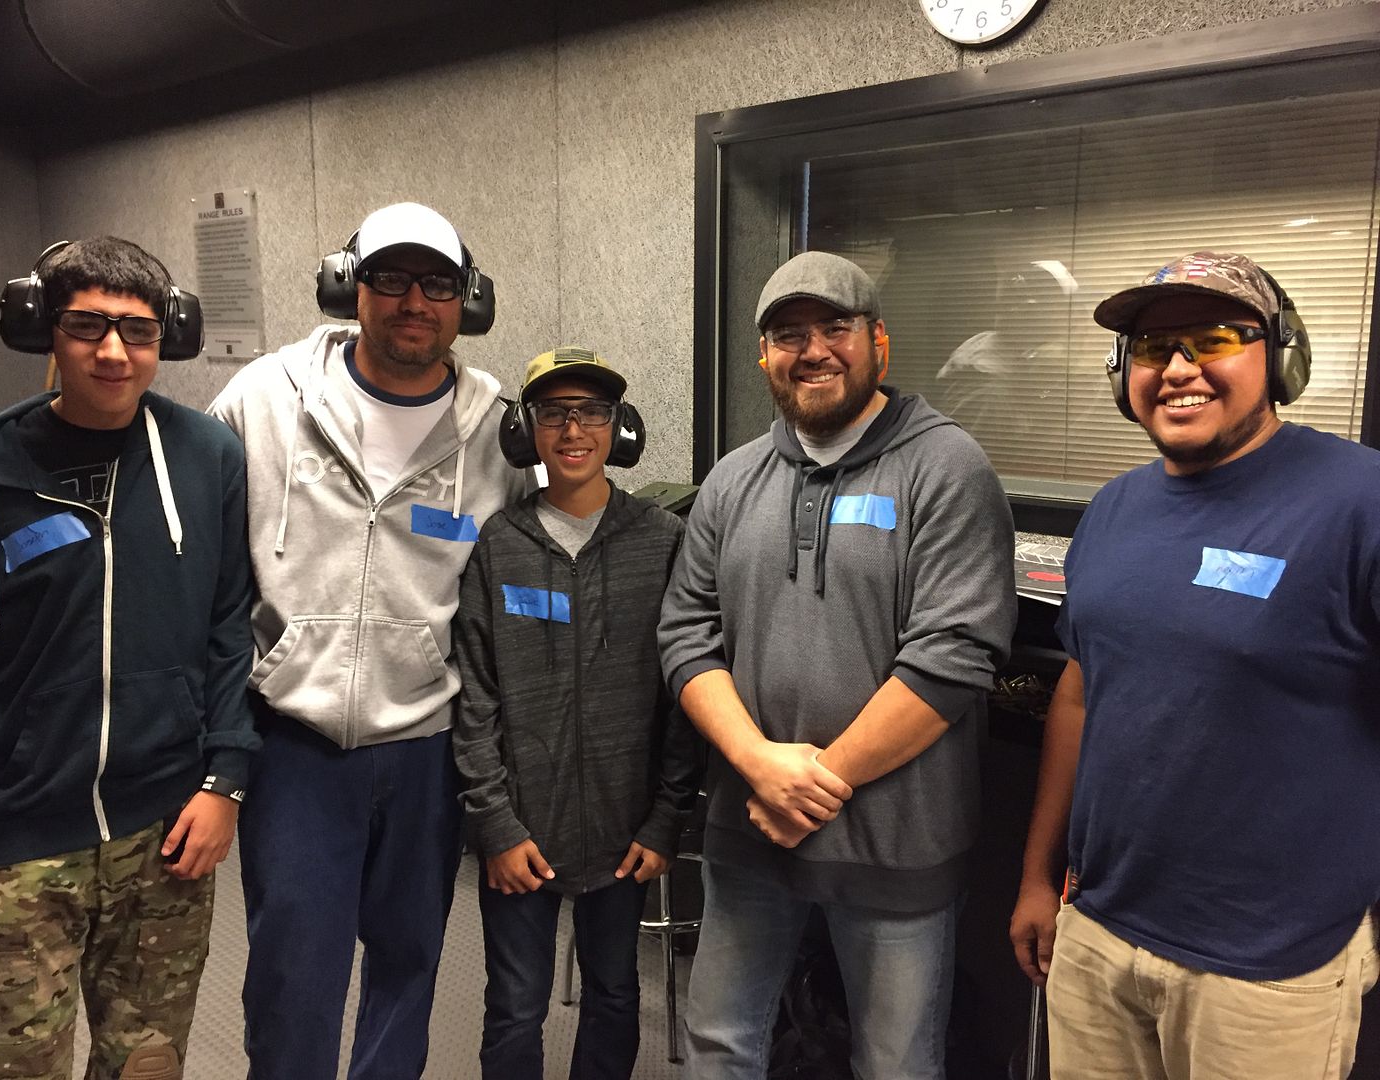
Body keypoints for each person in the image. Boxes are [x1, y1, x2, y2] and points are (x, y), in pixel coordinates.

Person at [1008, 250, 1380, 1080]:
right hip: (1098, 929)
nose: (1178, 369)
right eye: (1152, 347)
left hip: (1268, 968)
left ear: (1280, 356)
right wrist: (1038, 876)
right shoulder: (1114, 509)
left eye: (1213, 339)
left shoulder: (1359, 501)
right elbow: (1079, 695)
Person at [658, 250, 1016, 1079]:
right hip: (751, 828)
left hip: (896, 845)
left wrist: (815, 785)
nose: (813, 350)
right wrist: (757, 766)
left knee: (895, 1061)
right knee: (719, 1042)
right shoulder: (732, 481)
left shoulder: (948, 468)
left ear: (878, 342)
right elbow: (686, 633)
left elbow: (953, 655)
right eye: (790, 334)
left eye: (835, 327)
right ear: (764, 356)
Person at [209, 201, 529, 1079]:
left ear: (468, 301)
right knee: (292, 976)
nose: (414, 302)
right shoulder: (264, 399)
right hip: (295, 744)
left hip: (429, 745)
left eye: (438, 284)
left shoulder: (499, 430)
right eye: (391, 278)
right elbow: (185, 537)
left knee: (409, 962)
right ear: (349, 287)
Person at [0, 236, 258, 1080]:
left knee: (146, 1065)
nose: (114, 351)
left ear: (166, 338)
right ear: (44, 327)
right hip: (24, 835)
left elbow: (230, 626)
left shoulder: (209, 458)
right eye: (88, 325)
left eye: (138, 330)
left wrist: (226, 779)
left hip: (166, 829)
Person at [452, 347, 703, 1079]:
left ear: (618, 426)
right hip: (522, 830)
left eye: (592, 412)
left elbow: (684, 695)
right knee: (515, 1006)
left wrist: (666, 819)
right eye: (554, 413)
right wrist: (495, 825)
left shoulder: (662, 541)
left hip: (626, 833)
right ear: (525, 429)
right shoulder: (499, 545)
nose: (573, 429)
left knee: (615, 994)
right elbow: (475, 696)